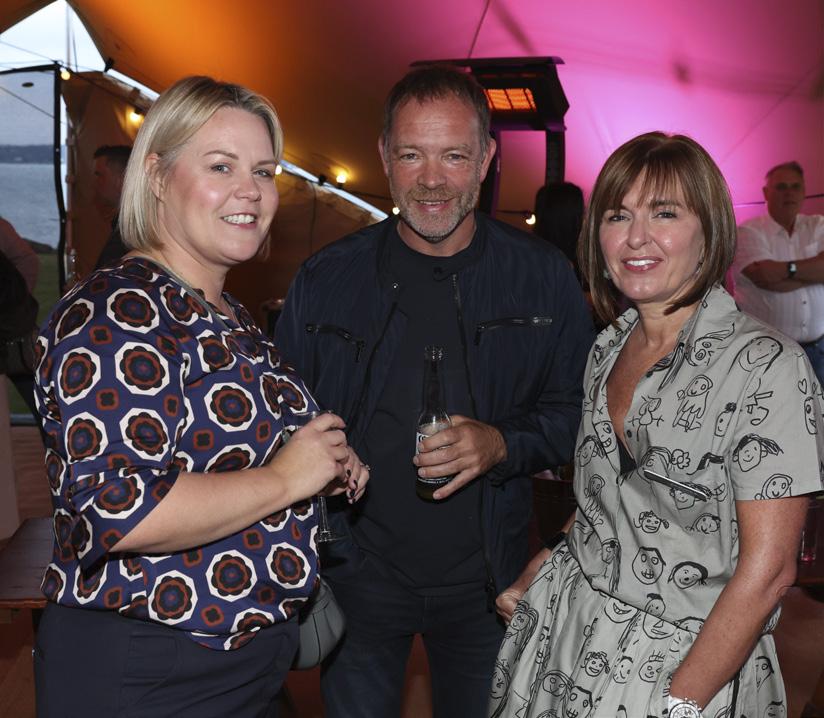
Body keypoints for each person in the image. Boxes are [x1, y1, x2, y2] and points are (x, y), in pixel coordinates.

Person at [32, 75, 369, 718]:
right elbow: (119, 509)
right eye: (222, 166)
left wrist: (320, 463)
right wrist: (286, 478)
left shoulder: (227, 313)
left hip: (238, 663)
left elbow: (223, 456)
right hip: (151, 671)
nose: (252, 190)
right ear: (157, 176)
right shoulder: (120, 311)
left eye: (264, 171)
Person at [275, 65, 594, 717]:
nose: (431, 179)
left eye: (453, 155)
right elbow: (280, 418)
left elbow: (579, 416)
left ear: (486, 159)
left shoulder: (542, 277)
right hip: (356, 572)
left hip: (490, 580)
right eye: (411, 155)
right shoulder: (326, 278)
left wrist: (502, 443)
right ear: (383, 157)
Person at [491, 133, 824, 718]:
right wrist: (547, 560)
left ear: (709, 230)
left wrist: (681, 700)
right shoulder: (607, 348)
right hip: (568, 632)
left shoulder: (767, 368)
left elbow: (770, 572)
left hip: (690, 662)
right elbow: (608, 496)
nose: (636, 237)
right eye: (618, 215)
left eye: (665, 213)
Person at [729, 161, 824, 382]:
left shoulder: (819, 225)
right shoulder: (747, 232)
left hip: (819, 351)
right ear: (766, 193)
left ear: (804, 191)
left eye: (795, 186)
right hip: (766, 355)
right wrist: (814, 273)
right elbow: (764, 276)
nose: (789, 193)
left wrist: (786, 270)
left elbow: (773, 276)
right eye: (781, 187)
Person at [92, 144, 132, 268]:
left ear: (121, 180)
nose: (95, 183)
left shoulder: (129, 235)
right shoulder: (124, 226)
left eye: (99, 175)